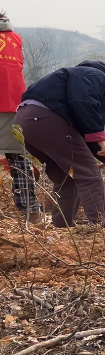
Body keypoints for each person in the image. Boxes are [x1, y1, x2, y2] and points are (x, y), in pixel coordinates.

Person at [15, 61, 105, 229]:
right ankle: (103, 230)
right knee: (89, 174)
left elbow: (89, 142)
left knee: (68, 177)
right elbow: (83, 103)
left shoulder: (80, 77)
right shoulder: (96, 75)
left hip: (25, 122)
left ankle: (62, 229)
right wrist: (100, 136)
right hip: (46, 119)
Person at [0, 11, 43, 222]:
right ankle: (31, 211)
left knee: (16, 156)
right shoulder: (15, 37)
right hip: (14, 102)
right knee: (17, 155)